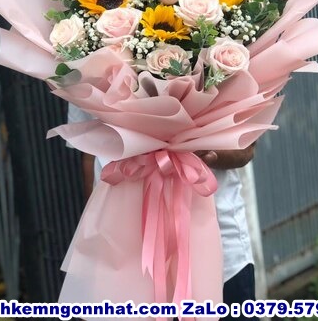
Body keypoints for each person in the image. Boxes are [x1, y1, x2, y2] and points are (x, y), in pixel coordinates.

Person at [68, 103, 256, 321]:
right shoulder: (81, 80)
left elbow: (245, 148)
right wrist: (95, 233)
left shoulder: (229, 78)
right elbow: (90, 151)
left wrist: (194, 147)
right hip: (122, 255)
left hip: (220, 252)